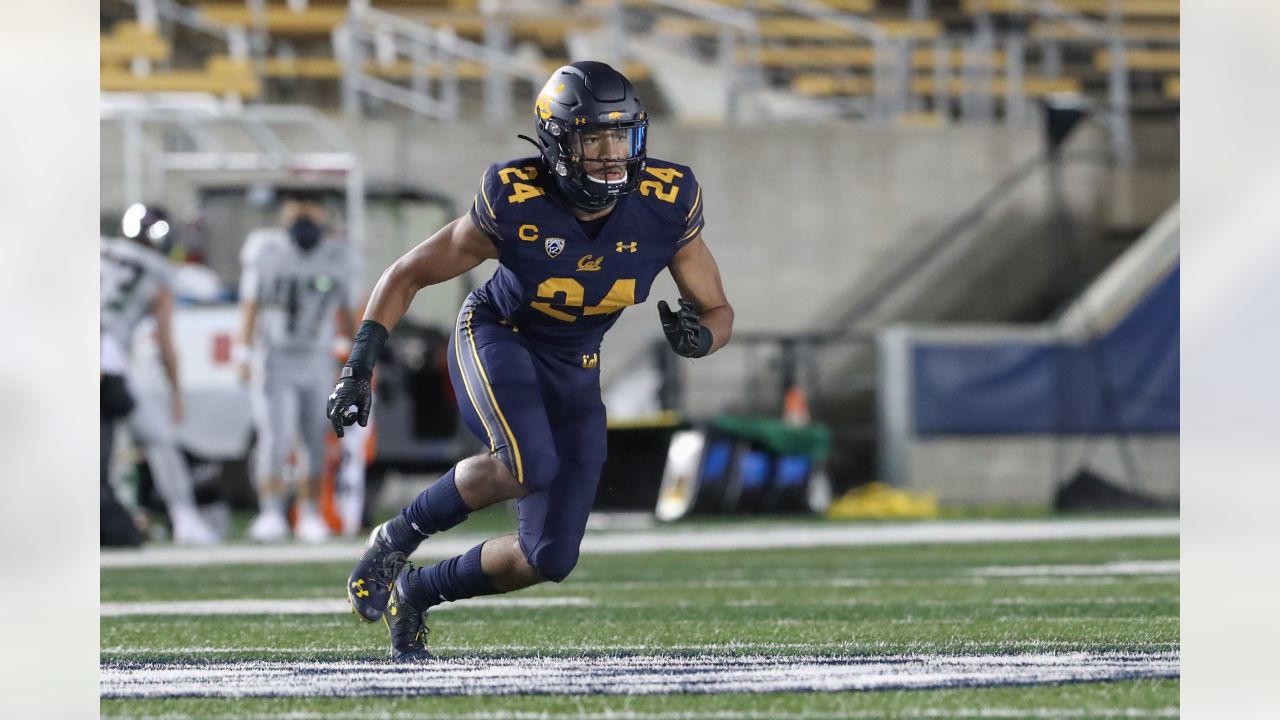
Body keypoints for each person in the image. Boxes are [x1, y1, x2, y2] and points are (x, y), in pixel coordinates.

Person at [328, 61, 734, 660]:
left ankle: (415, 593)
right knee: (527, 463)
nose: (609, 153)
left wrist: (700, 339)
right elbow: (408, 273)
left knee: (549, 558)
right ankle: (397, 536)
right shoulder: (516, 198)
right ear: (556, 142)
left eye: (619, 136)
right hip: (499, 334)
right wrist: (359, 365)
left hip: (577, 365)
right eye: (592, 138)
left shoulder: (665, 203)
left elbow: (719, 310)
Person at [238, 196, 360, 542]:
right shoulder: (265, 249)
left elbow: (350, 316)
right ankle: (271, 511)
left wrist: (358, 359)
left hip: (317, 358)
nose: (304, 217)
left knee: (315, 440)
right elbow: (251, 305)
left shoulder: (340, 255)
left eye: (311, 208)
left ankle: (310, 514)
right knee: (274, 439)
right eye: (297, 210)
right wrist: (242, 353)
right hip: (275, 356)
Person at [100, 205, 220, 545]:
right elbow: (165, 342)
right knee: (159, 438)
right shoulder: (158, 272)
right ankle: (185, 517)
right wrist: (176, 391)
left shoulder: (97, 248)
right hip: (106, 360)